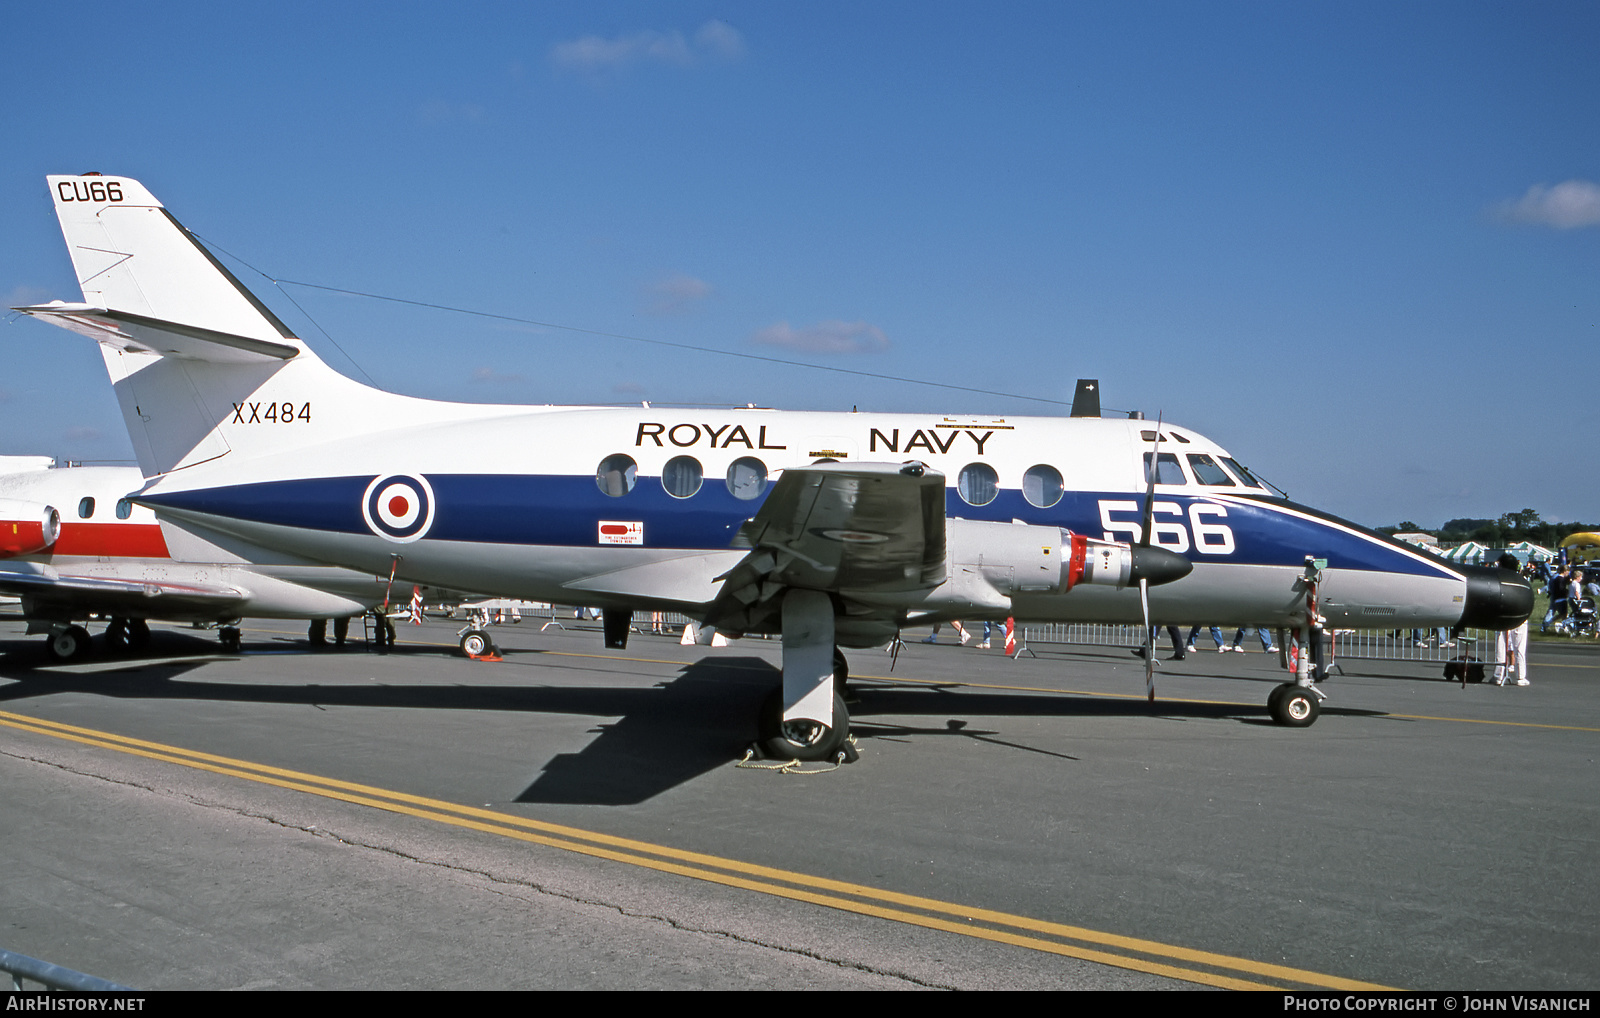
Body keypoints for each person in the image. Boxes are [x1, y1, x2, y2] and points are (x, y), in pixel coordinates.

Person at [1495, 553, 1530, 686]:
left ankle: (1498, 674)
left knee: (1501, 644)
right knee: (1519, 647)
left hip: (1502, 614)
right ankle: (1520, 676)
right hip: (1518, 615)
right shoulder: (1521, 579)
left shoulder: (1498, 579)